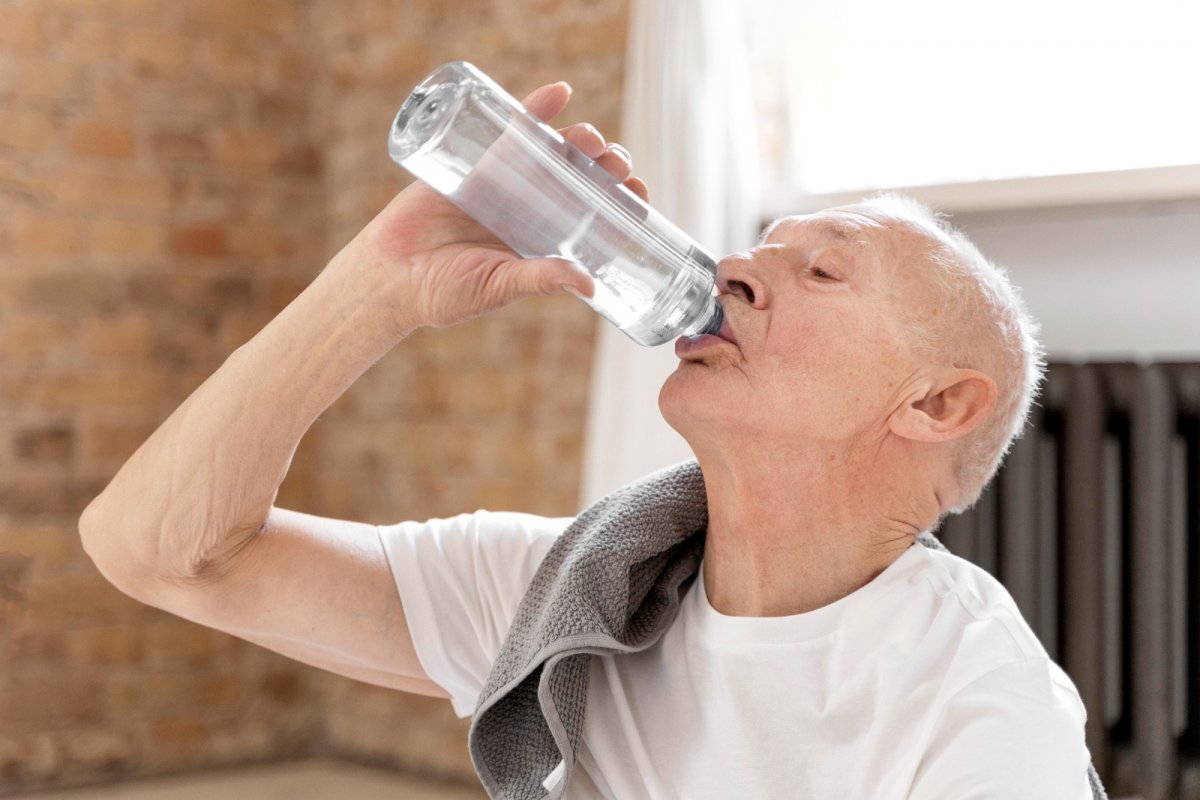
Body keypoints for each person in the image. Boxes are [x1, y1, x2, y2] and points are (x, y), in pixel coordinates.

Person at [80, 80, 1095, 797]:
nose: (733, 268)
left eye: (823, 271)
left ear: (937, 406)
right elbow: (158, 551)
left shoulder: (978, 706)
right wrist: (377, 287)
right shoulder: (568, 598)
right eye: (760, 247)